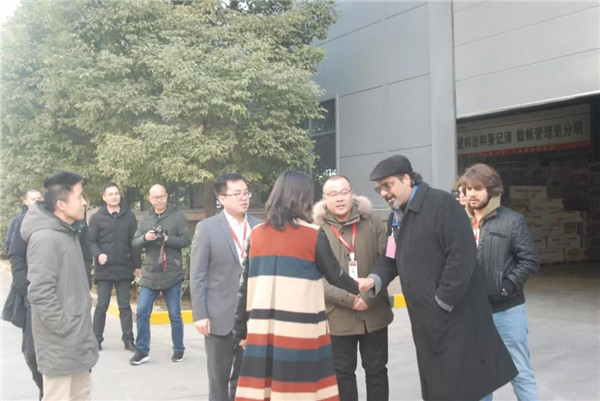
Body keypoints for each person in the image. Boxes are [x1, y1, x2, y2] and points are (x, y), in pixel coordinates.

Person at [359, 155, 517, 401]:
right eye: (379, 188)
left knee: (468, 383)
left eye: (388, 185)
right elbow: (390, 259)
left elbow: (462, 256)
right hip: (427, 322)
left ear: (407, 178)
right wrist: (374, 280)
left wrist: (442, 301)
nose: (384, 193)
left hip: (456, 317)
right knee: (439, 385)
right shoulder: (396, 219)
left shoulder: (441, 204)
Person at [233, 171, 370, 401]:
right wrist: (360, 287)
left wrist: (240, 330)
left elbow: (244, 285)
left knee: (265, 389)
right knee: (302, 390)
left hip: (262, 328)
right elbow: (335, 275)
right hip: (300, 328)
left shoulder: (255, 234)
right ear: (303, 197)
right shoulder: (312, 234)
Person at [461, 163, 540, 401]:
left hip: (507, 310)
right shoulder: (460, 222)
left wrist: (505, 287)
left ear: (492, 189)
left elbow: (529, 260)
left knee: (519, 370)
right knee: (480, 374)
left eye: (478, 188)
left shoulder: (512, 221)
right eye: (468, 188)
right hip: (473, 312)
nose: (472, 194)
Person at [313, 175, 392, 401]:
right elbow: (313, 276)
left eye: (344, 192)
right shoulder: (314, 229)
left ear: (352, 193)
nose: (339, 199)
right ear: (324, 198)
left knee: (377, 370)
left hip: (373, 312)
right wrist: (347, 298)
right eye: (333, 194)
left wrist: (369, 295)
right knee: (342, 373)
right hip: (336, 316)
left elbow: (387, 260)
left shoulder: (373, 222)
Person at [21, 171, 99, 401]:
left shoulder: (67, 232)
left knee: (81, 394)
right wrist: (65, 326)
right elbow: (40, 292)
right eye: (79, 196)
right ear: (61, 204)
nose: (84, 202)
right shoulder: (46, 238)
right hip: (60, 342)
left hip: (76, 340)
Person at [190, 173, 262, 401]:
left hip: (252, 316)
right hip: (219, 316)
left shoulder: (259, 227)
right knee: (218, 379)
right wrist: (200, 314)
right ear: (221, 198)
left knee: (246, 379)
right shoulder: (207, 228)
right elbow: (198, 274)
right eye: (237, 194)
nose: (244, 198)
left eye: (246, 193)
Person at [129, 184, 191, 365]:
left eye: (162, 196)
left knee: (175, 314)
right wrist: (145, 238)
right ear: (149, 199)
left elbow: (186, 241)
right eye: (155, 197)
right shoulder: (145, 220)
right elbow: (134, 243)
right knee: (142, 312)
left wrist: (167, 239)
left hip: (171, 271)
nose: (159, 200)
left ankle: (178, 349)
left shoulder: (177, 217)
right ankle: (142, 350)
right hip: (150, 272)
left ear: (166, 196)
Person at [1, 189, 44, 399]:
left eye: (39, 199)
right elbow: (14, 251)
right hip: (28, 292)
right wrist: (24, 286)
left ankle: (49, 391)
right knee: (30, 352)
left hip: (49, 295)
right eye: (32, 199)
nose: (36, 202)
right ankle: (44, 387)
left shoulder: (49, 222)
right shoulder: (19, 222)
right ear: (25, 202)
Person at [89, 182, 141, 352]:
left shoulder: (129, 216)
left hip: (124, 267)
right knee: (102, 305)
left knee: (124, 306)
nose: (114, 196)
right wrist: (98, 254)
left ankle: (128, 340)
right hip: (104, 268)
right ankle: (96, 339)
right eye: (110, 194)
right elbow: (91, 242)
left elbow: (134, 242)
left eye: (116, 193)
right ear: (104, 197)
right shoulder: (96, 218)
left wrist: (137, 264)